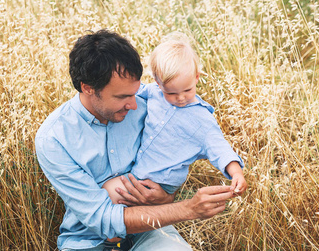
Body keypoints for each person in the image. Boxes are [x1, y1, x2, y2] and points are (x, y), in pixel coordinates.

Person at [35, 29, 236, 251]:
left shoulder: (151, 104)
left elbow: (173, 161)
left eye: (135, 92)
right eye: (122, 97)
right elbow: (102, 219)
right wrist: (188, 209)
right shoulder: (53, 139)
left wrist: (165, 197)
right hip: (88, 241)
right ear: (88, 88)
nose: (134, 104)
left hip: (149, 230)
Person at [102, 33, 247, 207]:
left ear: (196, 77)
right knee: (109, 196)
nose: (180, 98)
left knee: (112, 193)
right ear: (157, 82)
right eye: (171, 93)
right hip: (141, 170)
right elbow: (133, 90)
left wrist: (236, 173)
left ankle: (115, 233)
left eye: (187, 90)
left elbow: (220, 148)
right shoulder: (154, 92)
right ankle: (116, 233)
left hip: (161, 180)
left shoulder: (201, 119)